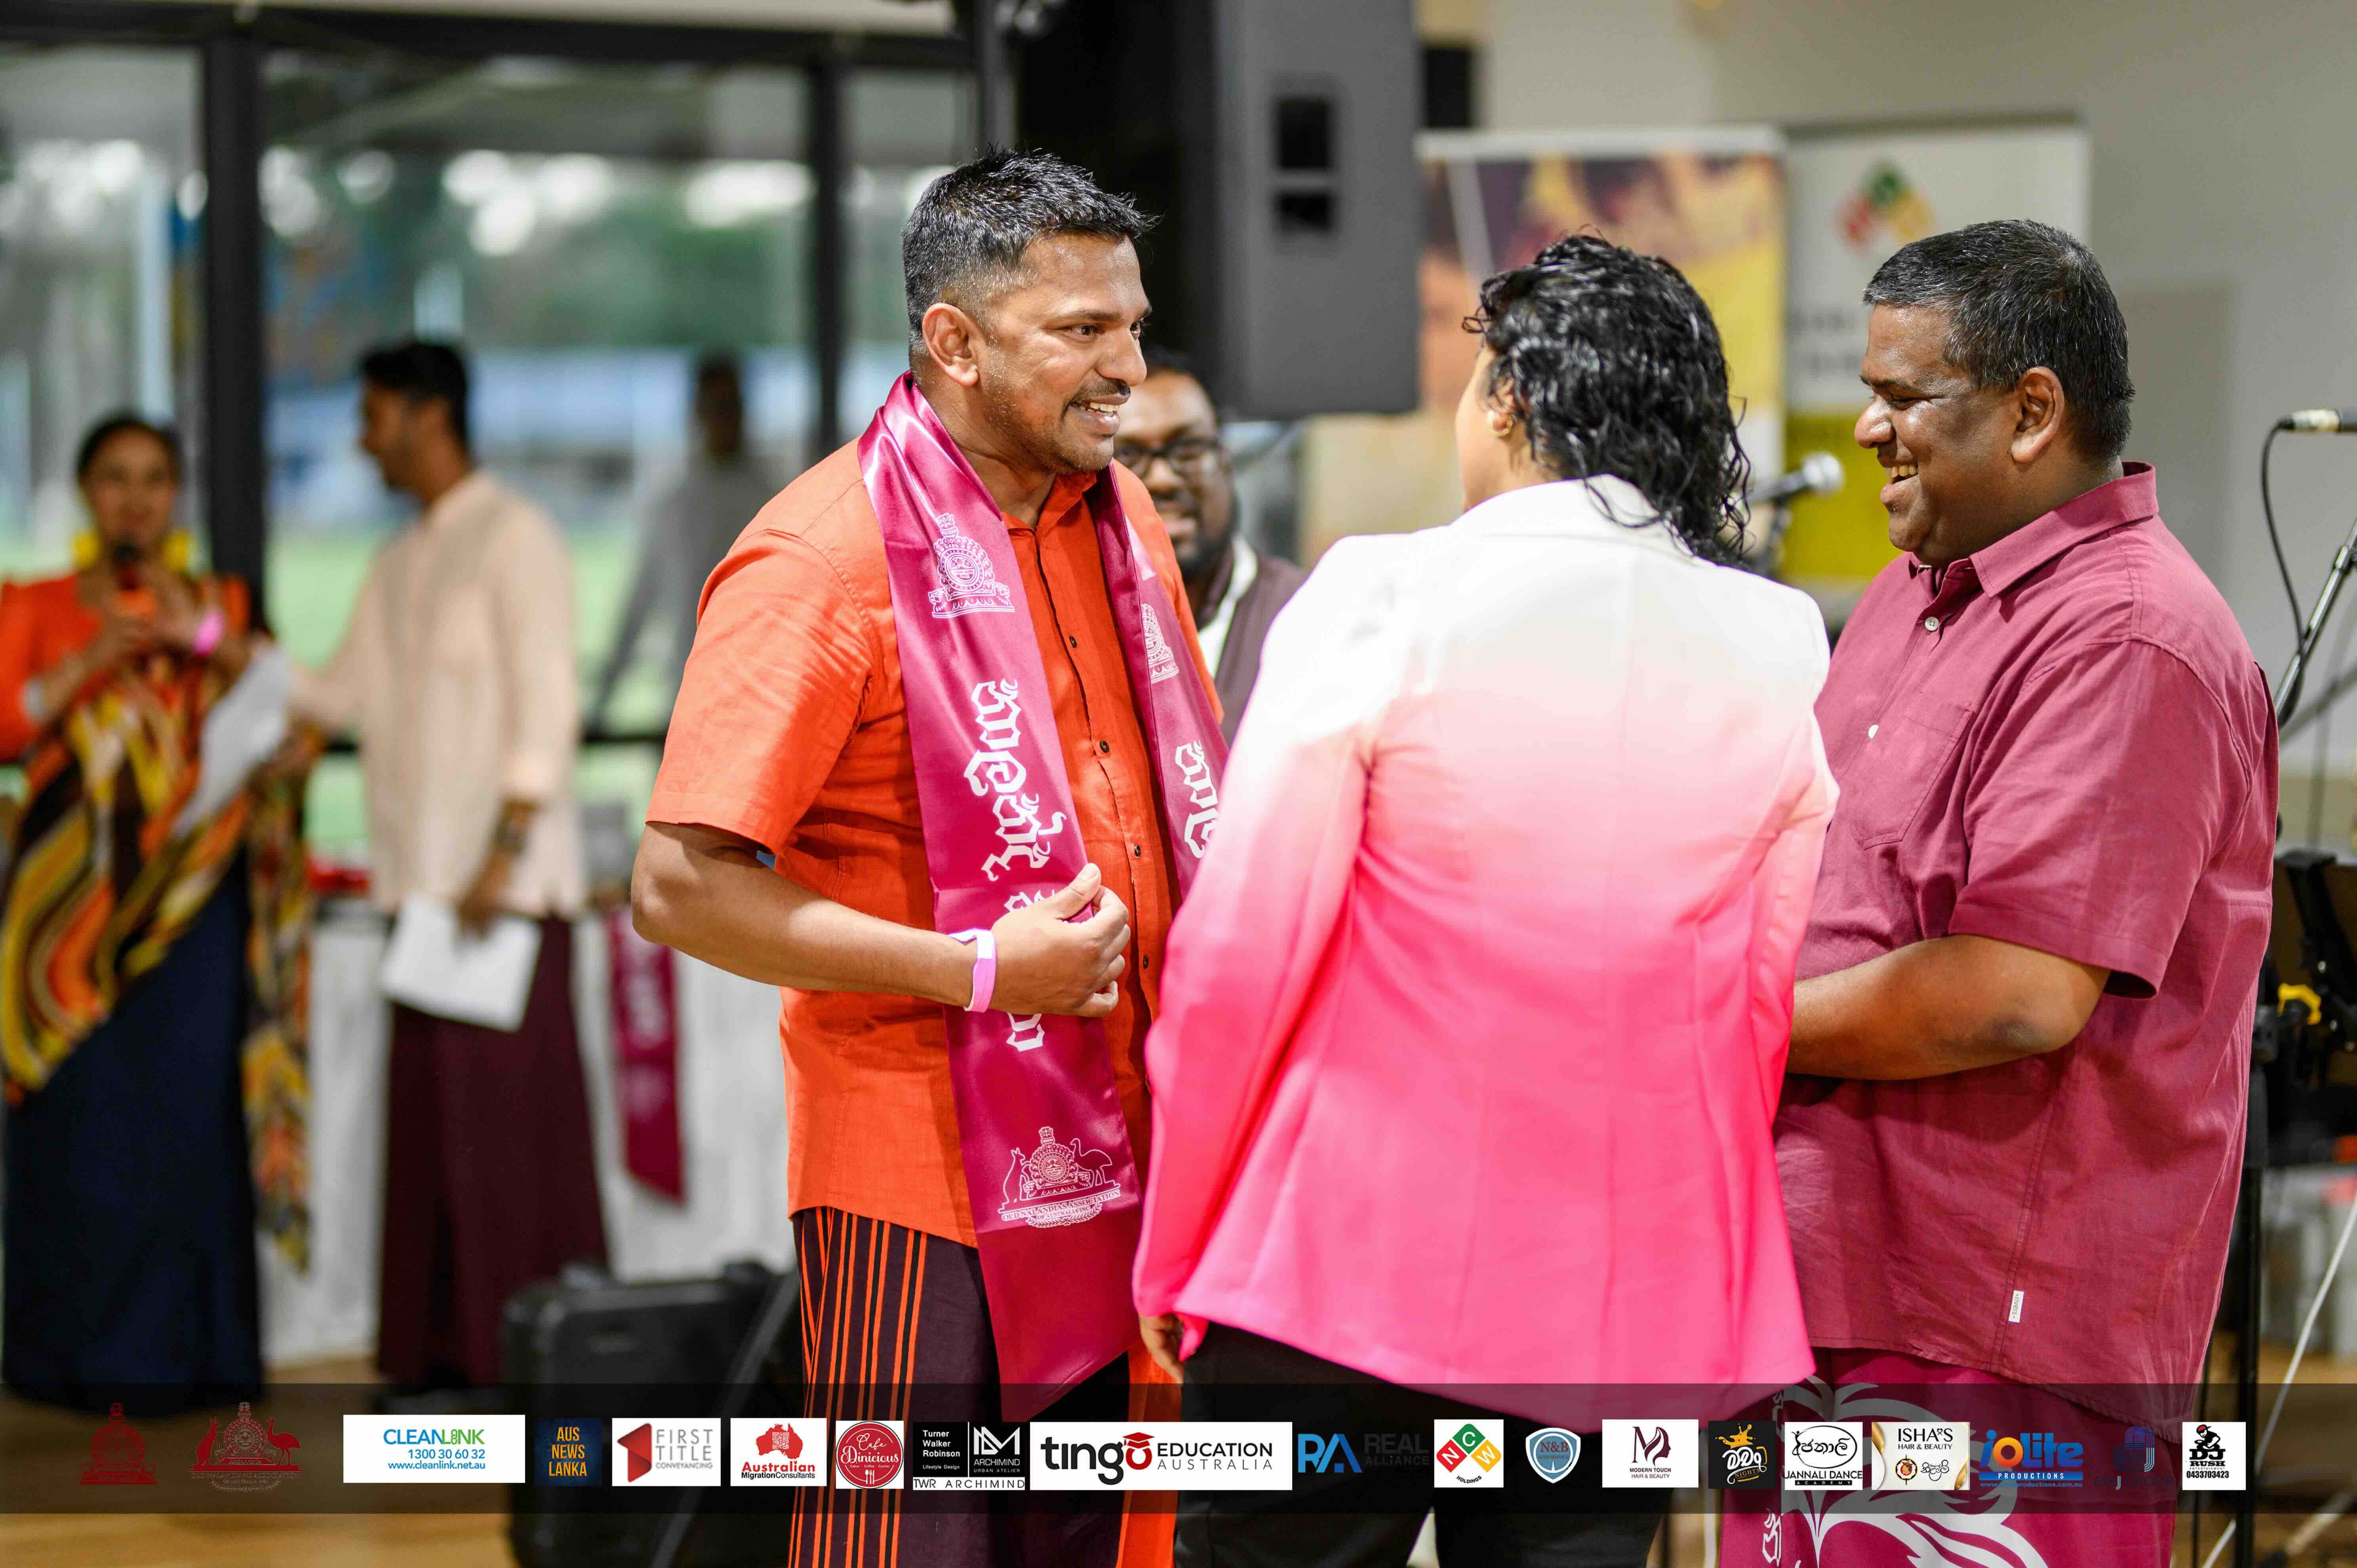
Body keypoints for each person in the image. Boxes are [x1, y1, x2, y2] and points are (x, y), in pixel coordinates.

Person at [1133, 234, 1836, 1568]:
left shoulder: (1382, 596)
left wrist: (1177, 1241)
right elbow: (1754, 1006)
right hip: (1615, 1302)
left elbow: (1239, 959)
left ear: (1510, 403)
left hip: (1341, 1260)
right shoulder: (1774, 642)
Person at [631, 150, 1220, 1568]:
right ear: (951, 342)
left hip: (1132, 1149)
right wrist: (973, 969)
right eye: (1079, 333)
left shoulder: (1123, 522)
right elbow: (678, 881)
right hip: (929, 1183)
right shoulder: (822, 558)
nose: (1125, 369)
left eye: (1132, 325)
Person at [1723, 222, 2276, 1568]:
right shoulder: (1907, 598)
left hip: (1987, 1336)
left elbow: (2013, 992)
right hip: (1824, 1287)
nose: (1865, 428)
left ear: (2033, 411)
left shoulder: (2127, 636)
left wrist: (1711, 1018)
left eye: (1905, 396)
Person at [290, 339, 607, 1395]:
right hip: (421, 904)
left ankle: (526, 1366)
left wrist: (503, 849)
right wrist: (213, 638)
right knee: (430, 1150)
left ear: (428, 417)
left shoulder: (516, 537)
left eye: (373, 415)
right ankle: (436, 1362)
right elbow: (333, 696)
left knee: (512, 1152)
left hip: (504, 900)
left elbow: (547, 710)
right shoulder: (400, 558)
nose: (361, 438)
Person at [0, 413, 310, 1411]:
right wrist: (92, 658)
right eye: (116, 478)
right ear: (87, 492)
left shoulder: (220, 600)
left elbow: (289, 715)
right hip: (71, 921)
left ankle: (197, 1356)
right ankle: (71, 1358)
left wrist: (198, 638)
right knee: (80, 1125)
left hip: (192, 914)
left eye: (155, 479)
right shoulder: (37, 601)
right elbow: (10, 726)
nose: (136, 498)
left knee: (188, 1124)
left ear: (176, 495)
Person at [1115, 352, 1304, 742]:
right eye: (1130, 456)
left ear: (1226, 461)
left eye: (1188, 451)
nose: (1164, 479)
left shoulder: (1305, 612)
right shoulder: (1069, 627)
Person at [586, 353, 780, 729]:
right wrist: (600, 711)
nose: (723, 418)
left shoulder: (777, 501)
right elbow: (638, 610)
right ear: (697, 412)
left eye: (730, 406)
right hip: (688, 707)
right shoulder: (673, 507)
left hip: (762, 709)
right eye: (714, 406)